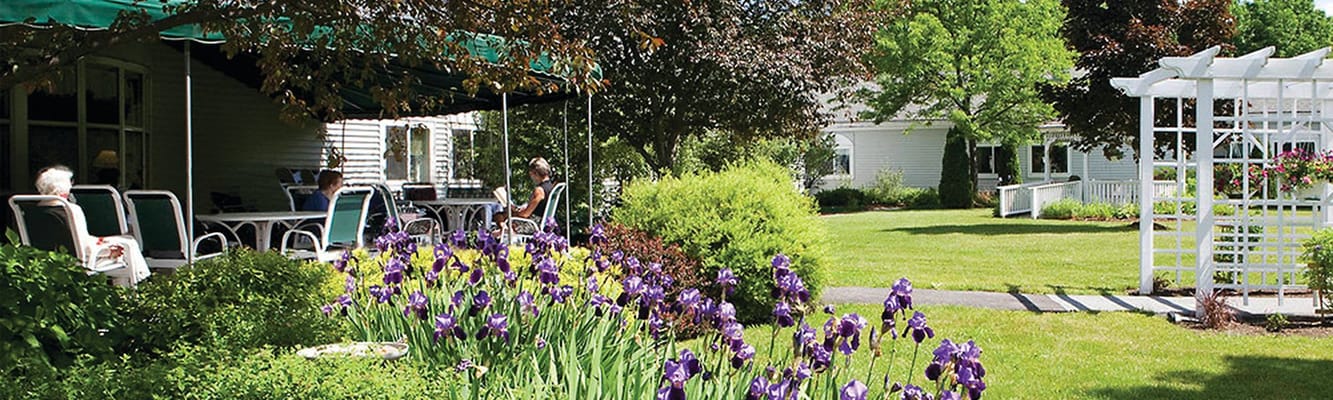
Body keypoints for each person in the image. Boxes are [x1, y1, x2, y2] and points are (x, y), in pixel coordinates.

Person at [34, 166, 150, 287]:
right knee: (127, 247)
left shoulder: (34, 209)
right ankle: (134, 290)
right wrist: (108, 251)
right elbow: (84, 247)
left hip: (46, 258)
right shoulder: (70, 209)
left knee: (127, 243)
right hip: (78, 260)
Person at [493, 157, 556, 235]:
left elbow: (525, 214)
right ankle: (505, 231)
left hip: (534, 224)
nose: (531, 177)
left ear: (536, 173)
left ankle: (507, 232)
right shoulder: (551, 187)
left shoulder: (539, 190)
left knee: (499, 216)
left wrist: (515, 211)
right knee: (505, 215)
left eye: (531, 174)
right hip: (545, 222)